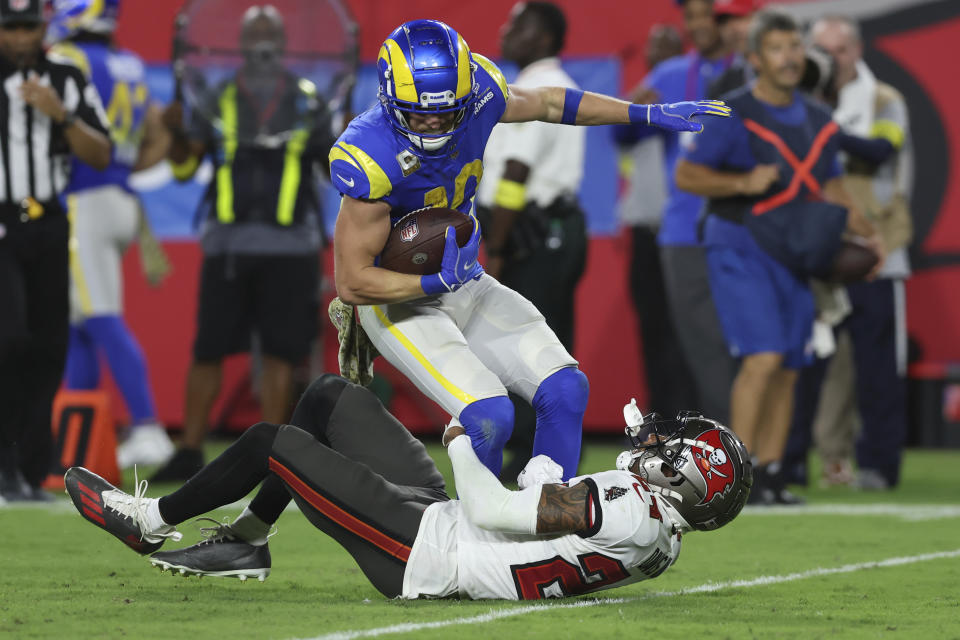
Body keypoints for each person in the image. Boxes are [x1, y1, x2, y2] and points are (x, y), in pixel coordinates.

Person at [328, 18, 729, 482]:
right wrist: (433, 281)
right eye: (420, 113)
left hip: (462, 279)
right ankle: (469, 547)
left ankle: (547, 521)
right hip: (398, 300)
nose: (436, 122)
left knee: (565, 387)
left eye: (447, 111)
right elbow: (352, 281)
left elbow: (551, 101)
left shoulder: (480, 93)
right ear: (388, 99)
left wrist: (639, 113)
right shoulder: (367, 152)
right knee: (490, 416)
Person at [63, 373, 752, 599]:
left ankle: (149, 519)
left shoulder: (627, 508)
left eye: (673, 447)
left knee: (272, 443)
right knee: (332, 398)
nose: (658, 441)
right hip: (453, 524)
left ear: (683, 477)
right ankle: (249, 539)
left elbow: (492, 504)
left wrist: (457, 439)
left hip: (427, 552)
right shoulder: (654, 531)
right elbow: (540, 502)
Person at [674, 11, 882, 504]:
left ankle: (769, 474)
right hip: (739, 244)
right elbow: (687, 176)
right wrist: (742, 182)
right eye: (778, 49)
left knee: (790, 362)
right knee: (763, 358)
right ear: (754, 60)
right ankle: (735, 478)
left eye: (796, 48)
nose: (791, 58)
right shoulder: (730, 111)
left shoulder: (817, 117)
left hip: (794, 251)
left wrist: (867, 234)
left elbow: (830, 185)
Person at [153, 5, 335, 482]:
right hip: (228, 246)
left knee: (280, 351)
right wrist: (174, 132)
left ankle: (270, 454)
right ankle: (190, 449)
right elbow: (183, 168)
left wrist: (347, 134)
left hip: (293, 245)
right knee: (208, 349)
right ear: (239, 42)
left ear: (283, 42)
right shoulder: (217, 95)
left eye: (269, 34)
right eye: (252, 35)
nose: (261, 44)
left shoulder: (309, 99)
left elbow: (335, 167)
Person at [783, 15, 913, 490]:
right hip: (817, 252)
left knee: (877, 368)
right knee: (808, 366)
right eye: (821, 50)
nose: (829, 60)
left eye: (839, 49)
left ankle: (880, 464)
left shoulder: (884, 100)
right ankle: (792, 461)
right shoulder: (798, 105)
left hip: (876, 252)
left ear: (857, 51)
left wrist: (819, 129)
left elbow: (881, 150)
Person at [46, 0, 175, 470]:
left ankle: (147, 427)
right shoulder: (130, 64)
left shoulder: (68, 59)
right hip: (118, 196)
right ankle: (70, 440)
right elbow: (157, 131)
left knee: (100, 317)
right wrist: (127, 166)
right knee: (77, 322)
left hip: (85, 199)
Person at [0, 0, 112, 502]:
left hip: (48, 222)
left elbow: (101, 152)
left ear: (43, 26)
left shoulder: (66, 76)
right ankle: (3, 466)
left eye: (28, 27)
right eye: (11, 28)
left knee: (49, 348)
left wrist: (60, 114)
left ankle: (29, 468)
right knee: (8, 340)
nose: (20, 38)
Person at [474, 2, 588, 480]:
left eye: (519, 24)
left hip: (535, 233)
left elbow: (515, 173)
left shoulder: (544, 88)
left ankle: (538, 459)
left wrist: (495, 248)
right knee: (536, 341)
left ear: (544, 38)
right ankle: (537, 455)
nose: (506, 31)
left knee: (534, 345)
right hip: (542, 231)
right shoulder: (535, 84)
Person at [614, 0, 738, 424]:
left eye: (708, 14)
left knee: (752, 343)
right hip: (685, 229)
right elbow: (622, 133)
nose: (698, 24)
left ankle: (764, 450)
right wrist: (632, 114)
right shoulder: (669, 76)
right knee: (688, 340)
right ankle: (689, 435)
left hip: (746, 227)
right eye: (691, 16)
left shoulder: (750, 72)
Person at [615, 23, 692, 420]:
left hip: (682, 231)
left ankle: (690, 416)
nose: (659, 53)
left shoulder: (694, 96)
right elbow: (618, 138)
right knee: (653, 328)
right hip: (646, 228)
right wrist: (637, 110)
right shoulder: (640, 98)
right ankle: (662, 417)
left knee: (686, 330)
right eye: (654, 46)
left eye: (670, 47)